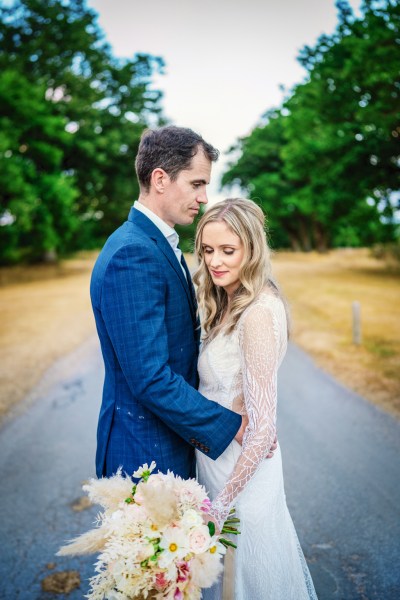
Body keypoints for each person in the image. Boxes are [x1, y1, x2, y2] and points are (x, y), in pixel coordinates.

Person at [90, 126, 255, 481]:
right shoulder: (134, 253)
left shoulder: (156, 243)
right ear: (160, 179)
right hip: (145, 455)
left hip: (165, 442)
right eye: (196, 184)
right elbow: (150, 377)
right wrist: (229, 426)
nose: (204, 197)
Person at [194, 198, 318, 599]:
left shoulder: (259, 313)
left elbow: (263, 430)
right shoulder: (229, 299)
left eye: (228, 251)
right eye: (208, 250)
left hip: (240, 482)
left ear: (252, 249)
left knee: (248, 585)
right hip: (217, 463)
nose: (215, 261)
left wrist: (223, 505)